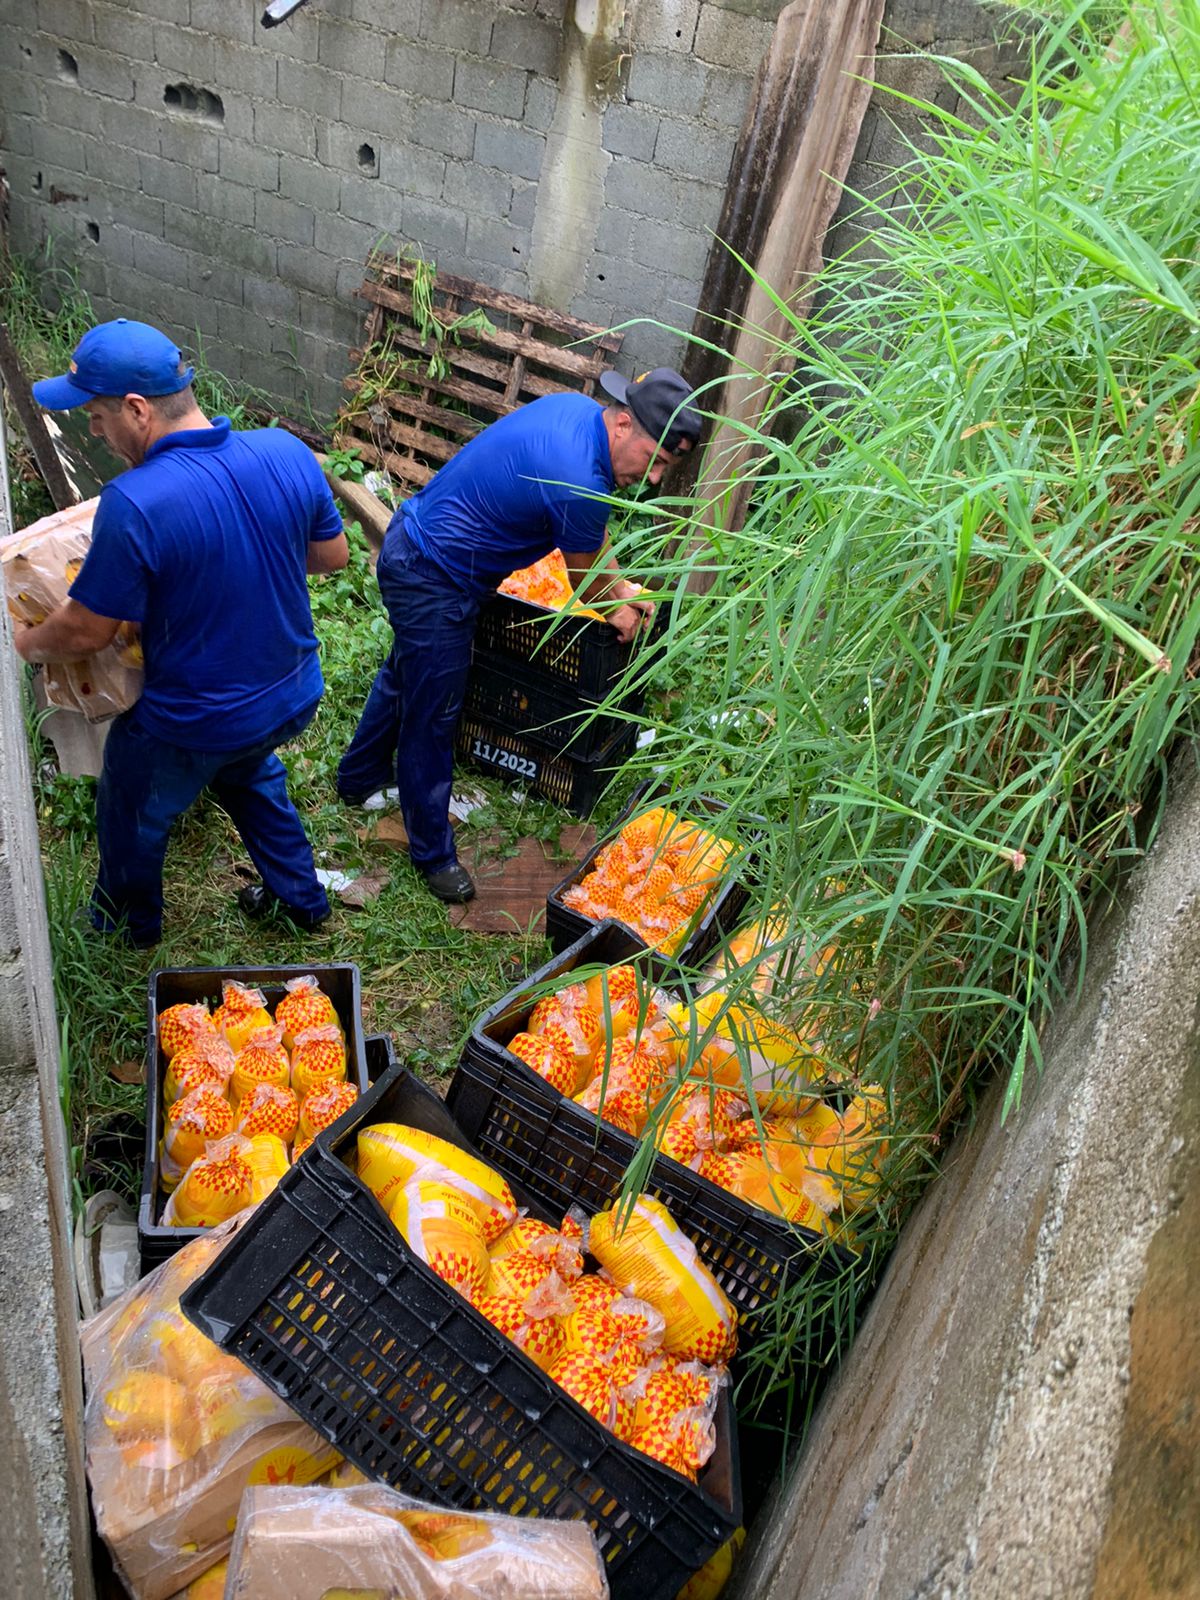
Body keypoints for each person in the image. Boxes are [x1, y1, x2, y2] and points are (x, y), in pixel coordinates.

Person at [12, 318, 349, 948]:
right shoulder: (283, 451)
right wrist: (243, 559)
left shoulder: (136, 501)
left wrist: (21, 646)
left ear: (137, 410)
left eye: (96, 415)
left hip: (200, 719)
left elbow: (85, 632)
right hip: (293, 692)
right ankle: (302, 900)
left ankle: (123, 929)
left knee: (133, 795)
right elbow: (332, 556)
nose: (94, 429)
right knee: (248, 771)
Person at [337, 366, 702, 905]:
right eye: (654, 462)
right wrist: (618, 607)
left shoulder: (580, 417)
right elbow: (584, 581)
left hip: (420, 549)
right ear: (624, 423)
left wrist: (622, 585)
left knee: (406, 675)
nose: (651, 479)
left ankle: (359, 777)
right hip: (434, 576)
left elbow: (591, 535)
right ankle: (432, 854)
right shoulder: (578, 478)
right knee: (434, 712)